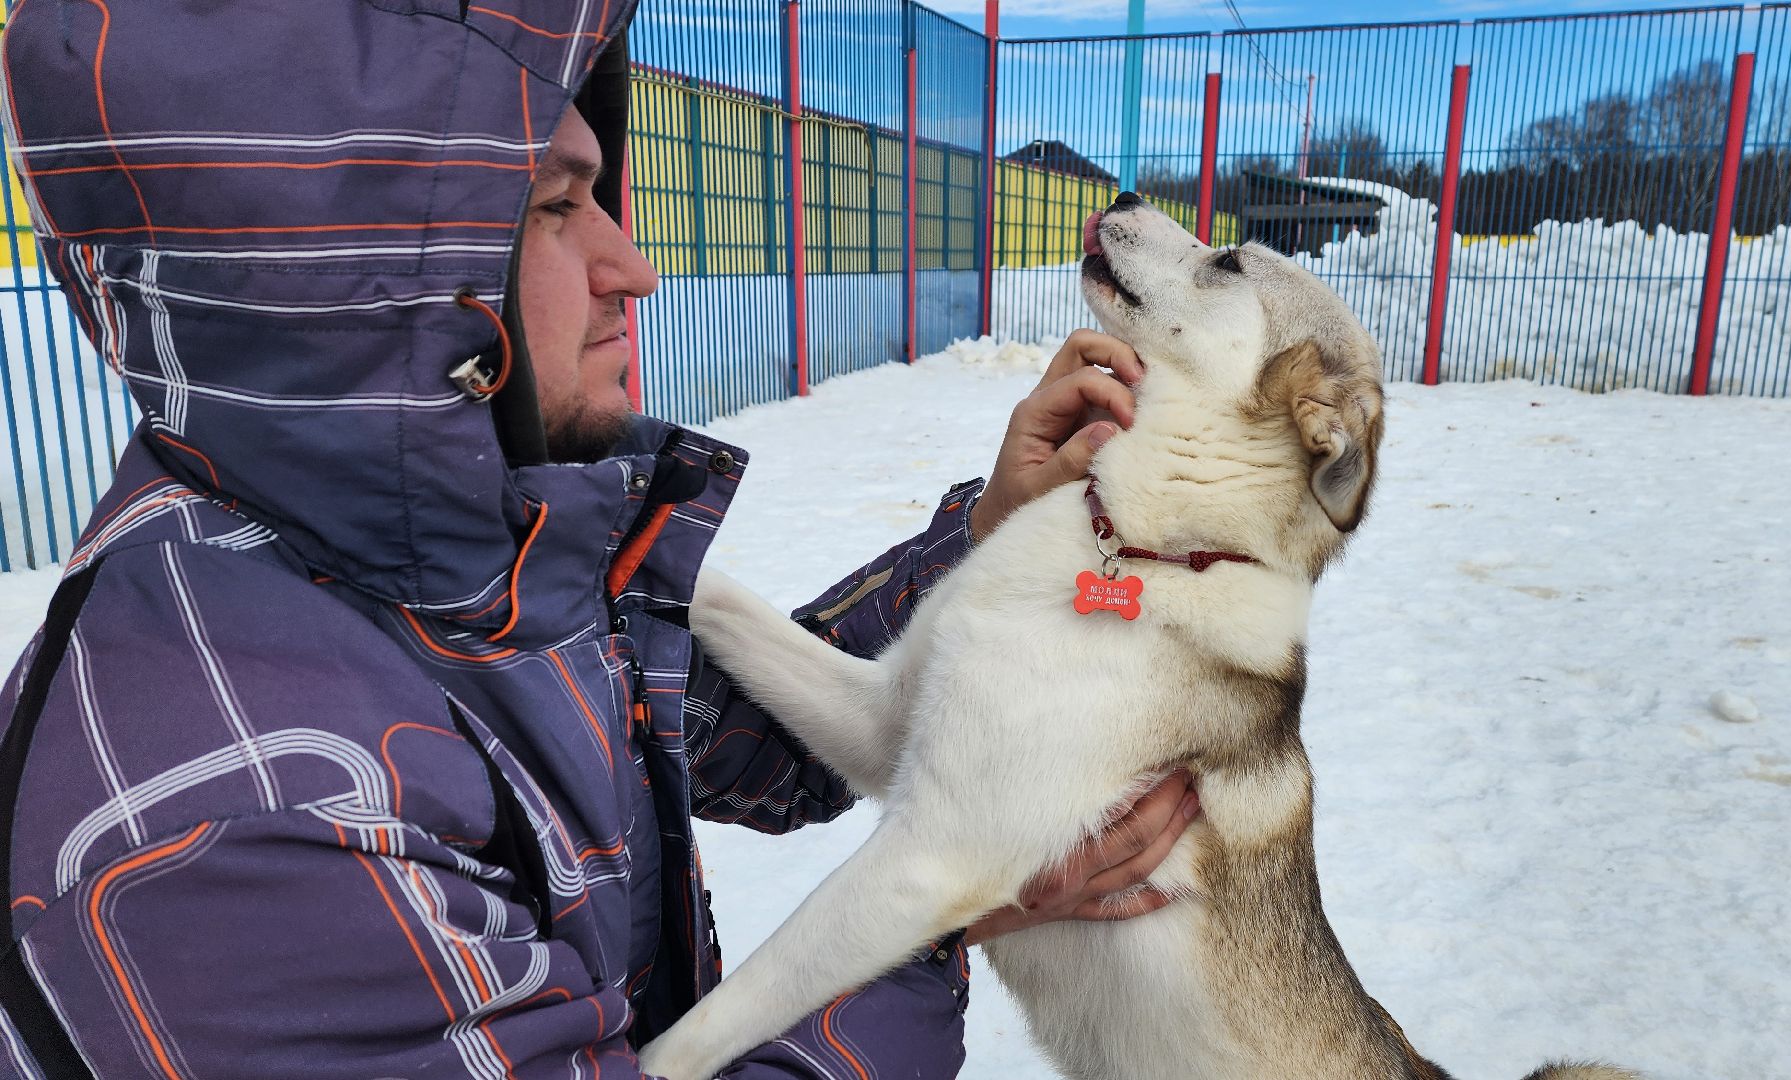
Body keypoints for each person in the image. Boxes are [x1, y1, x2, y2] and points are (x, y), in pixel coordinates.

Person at [0, 4, 1195, 1077]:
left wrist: (989, 533)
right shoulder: (250, 825)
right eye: (558, 209)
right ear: (359, 284)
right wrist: (930, 907)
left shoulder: (451, 565)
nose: (637, 266)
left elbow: (752, 749)